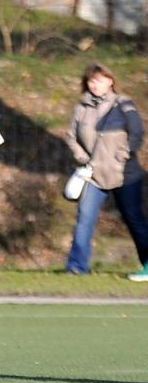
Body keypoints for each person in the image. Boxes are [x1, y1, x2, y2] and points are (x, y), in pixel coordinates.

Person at [63, 63, 148, 281]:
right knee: (84, 218)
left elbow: (137, 132)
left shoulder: (123, 103)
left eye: (99, 80)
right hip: (93, 174)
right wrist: (82, 158)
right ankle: (76, 266)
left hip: (125, 174)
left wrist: (125, 153)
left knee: (133, 218)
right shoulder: (81, 108)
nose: (95, 85)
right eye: (91, 81)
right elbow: (71, 136)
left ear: (110, 81)